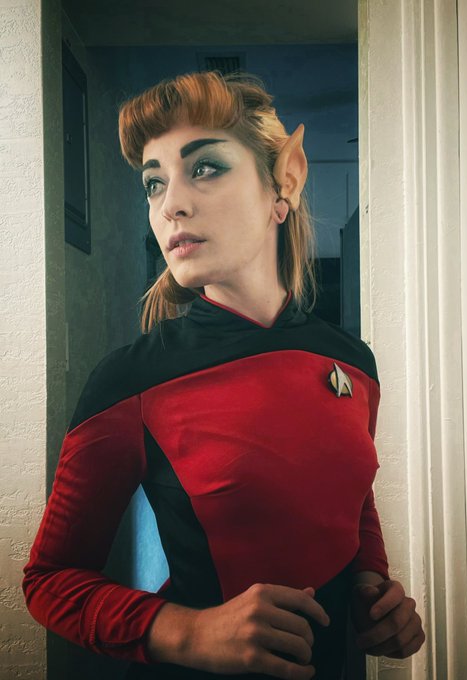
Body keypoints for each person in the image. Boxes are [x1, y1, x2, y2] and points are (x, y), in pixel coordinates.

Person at [22, 70, 425, 679]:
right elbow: (49, 581)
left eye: (205, 167)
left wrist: (372, 586)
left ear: (284, 182)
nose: (170, 205)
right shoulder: (130, 380)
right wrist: (187, 631)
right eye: (154, 183)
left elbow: (352, 497)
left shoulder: (354, 363)